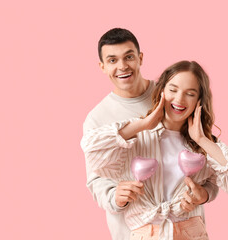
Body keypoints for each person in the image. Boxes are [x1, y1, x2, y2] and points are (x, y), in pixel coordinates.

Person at [82, 60, 228, 240]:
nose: (179, 100)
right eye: (173, 90)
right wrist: (144, 124)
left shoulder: (202, 145)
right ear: (161, 90)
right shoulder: (137, 138)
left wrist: (202, 140)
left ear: (199, 101)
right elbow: (91, 149)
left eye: (190, 94)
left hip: (192, 233)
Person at [82, 28, 219, 240]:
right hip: (133, 232)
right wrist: (114, 196)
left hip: (186, 230)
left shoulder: (174, 95)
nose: (122, 66)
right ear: (102, 66)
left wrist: (206, 194)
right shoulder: (97, 118)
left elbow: (210, 162)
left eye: (129, 57)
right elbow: (96, 180)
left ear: (140, 58)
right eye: (112, 60)